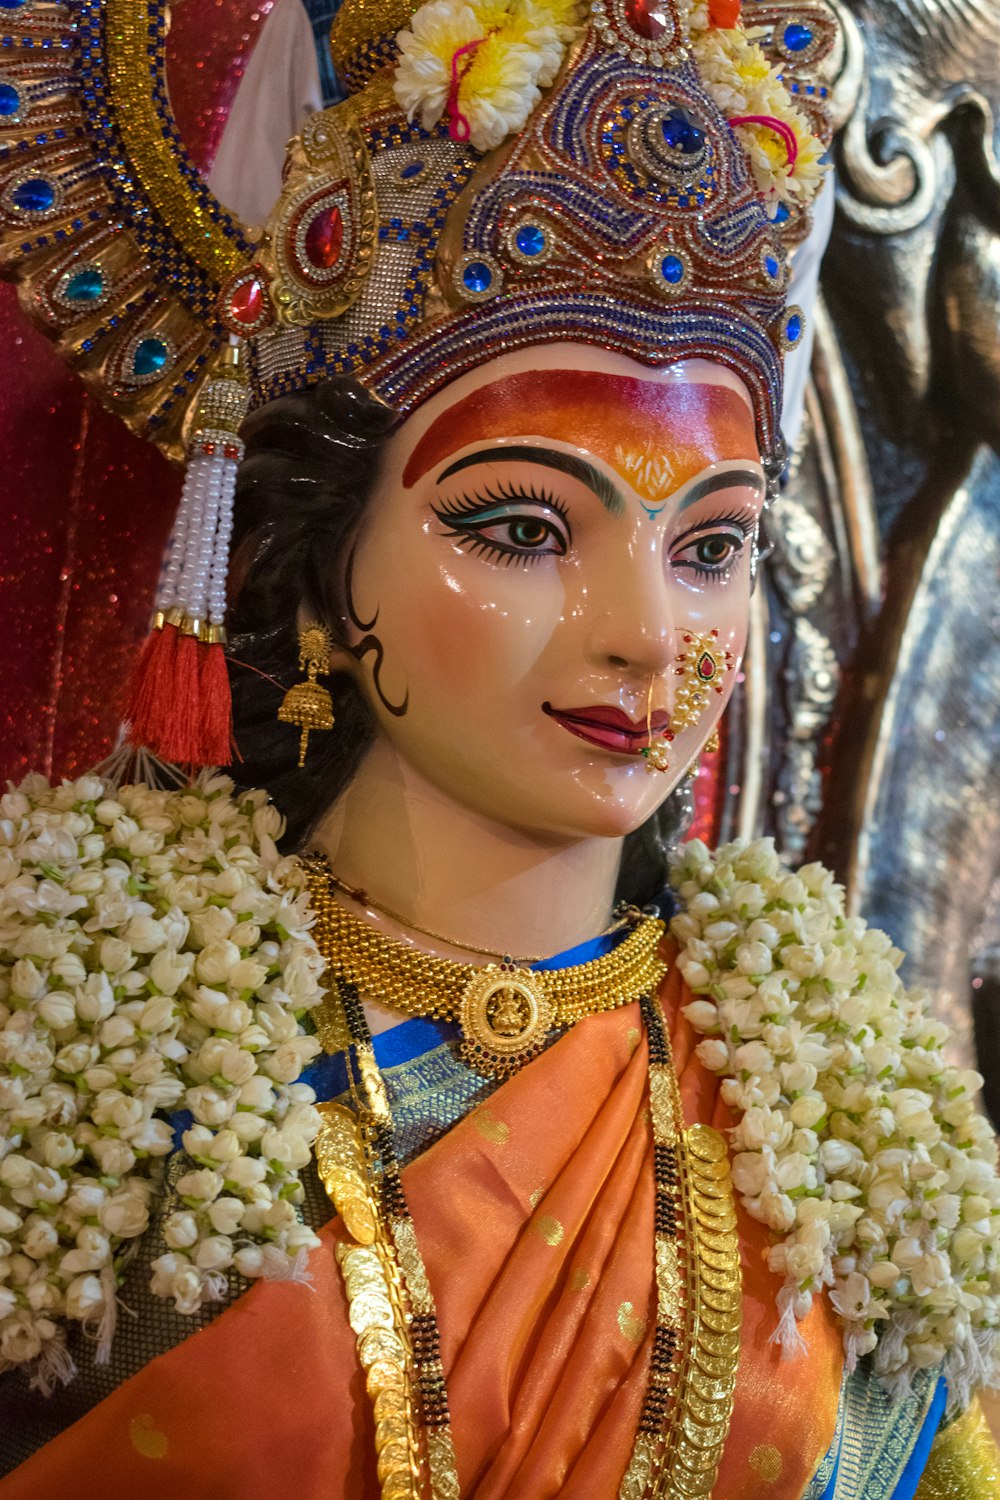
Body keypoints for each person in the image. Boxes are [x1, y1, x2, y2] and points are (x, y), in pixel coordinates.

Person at [0, 0, 998, 1495]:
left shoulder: (839, 1109)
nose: (651, 634)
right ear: (322, 553)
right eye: (522, 528)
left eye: (714, 543)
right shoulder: (84, 1045)